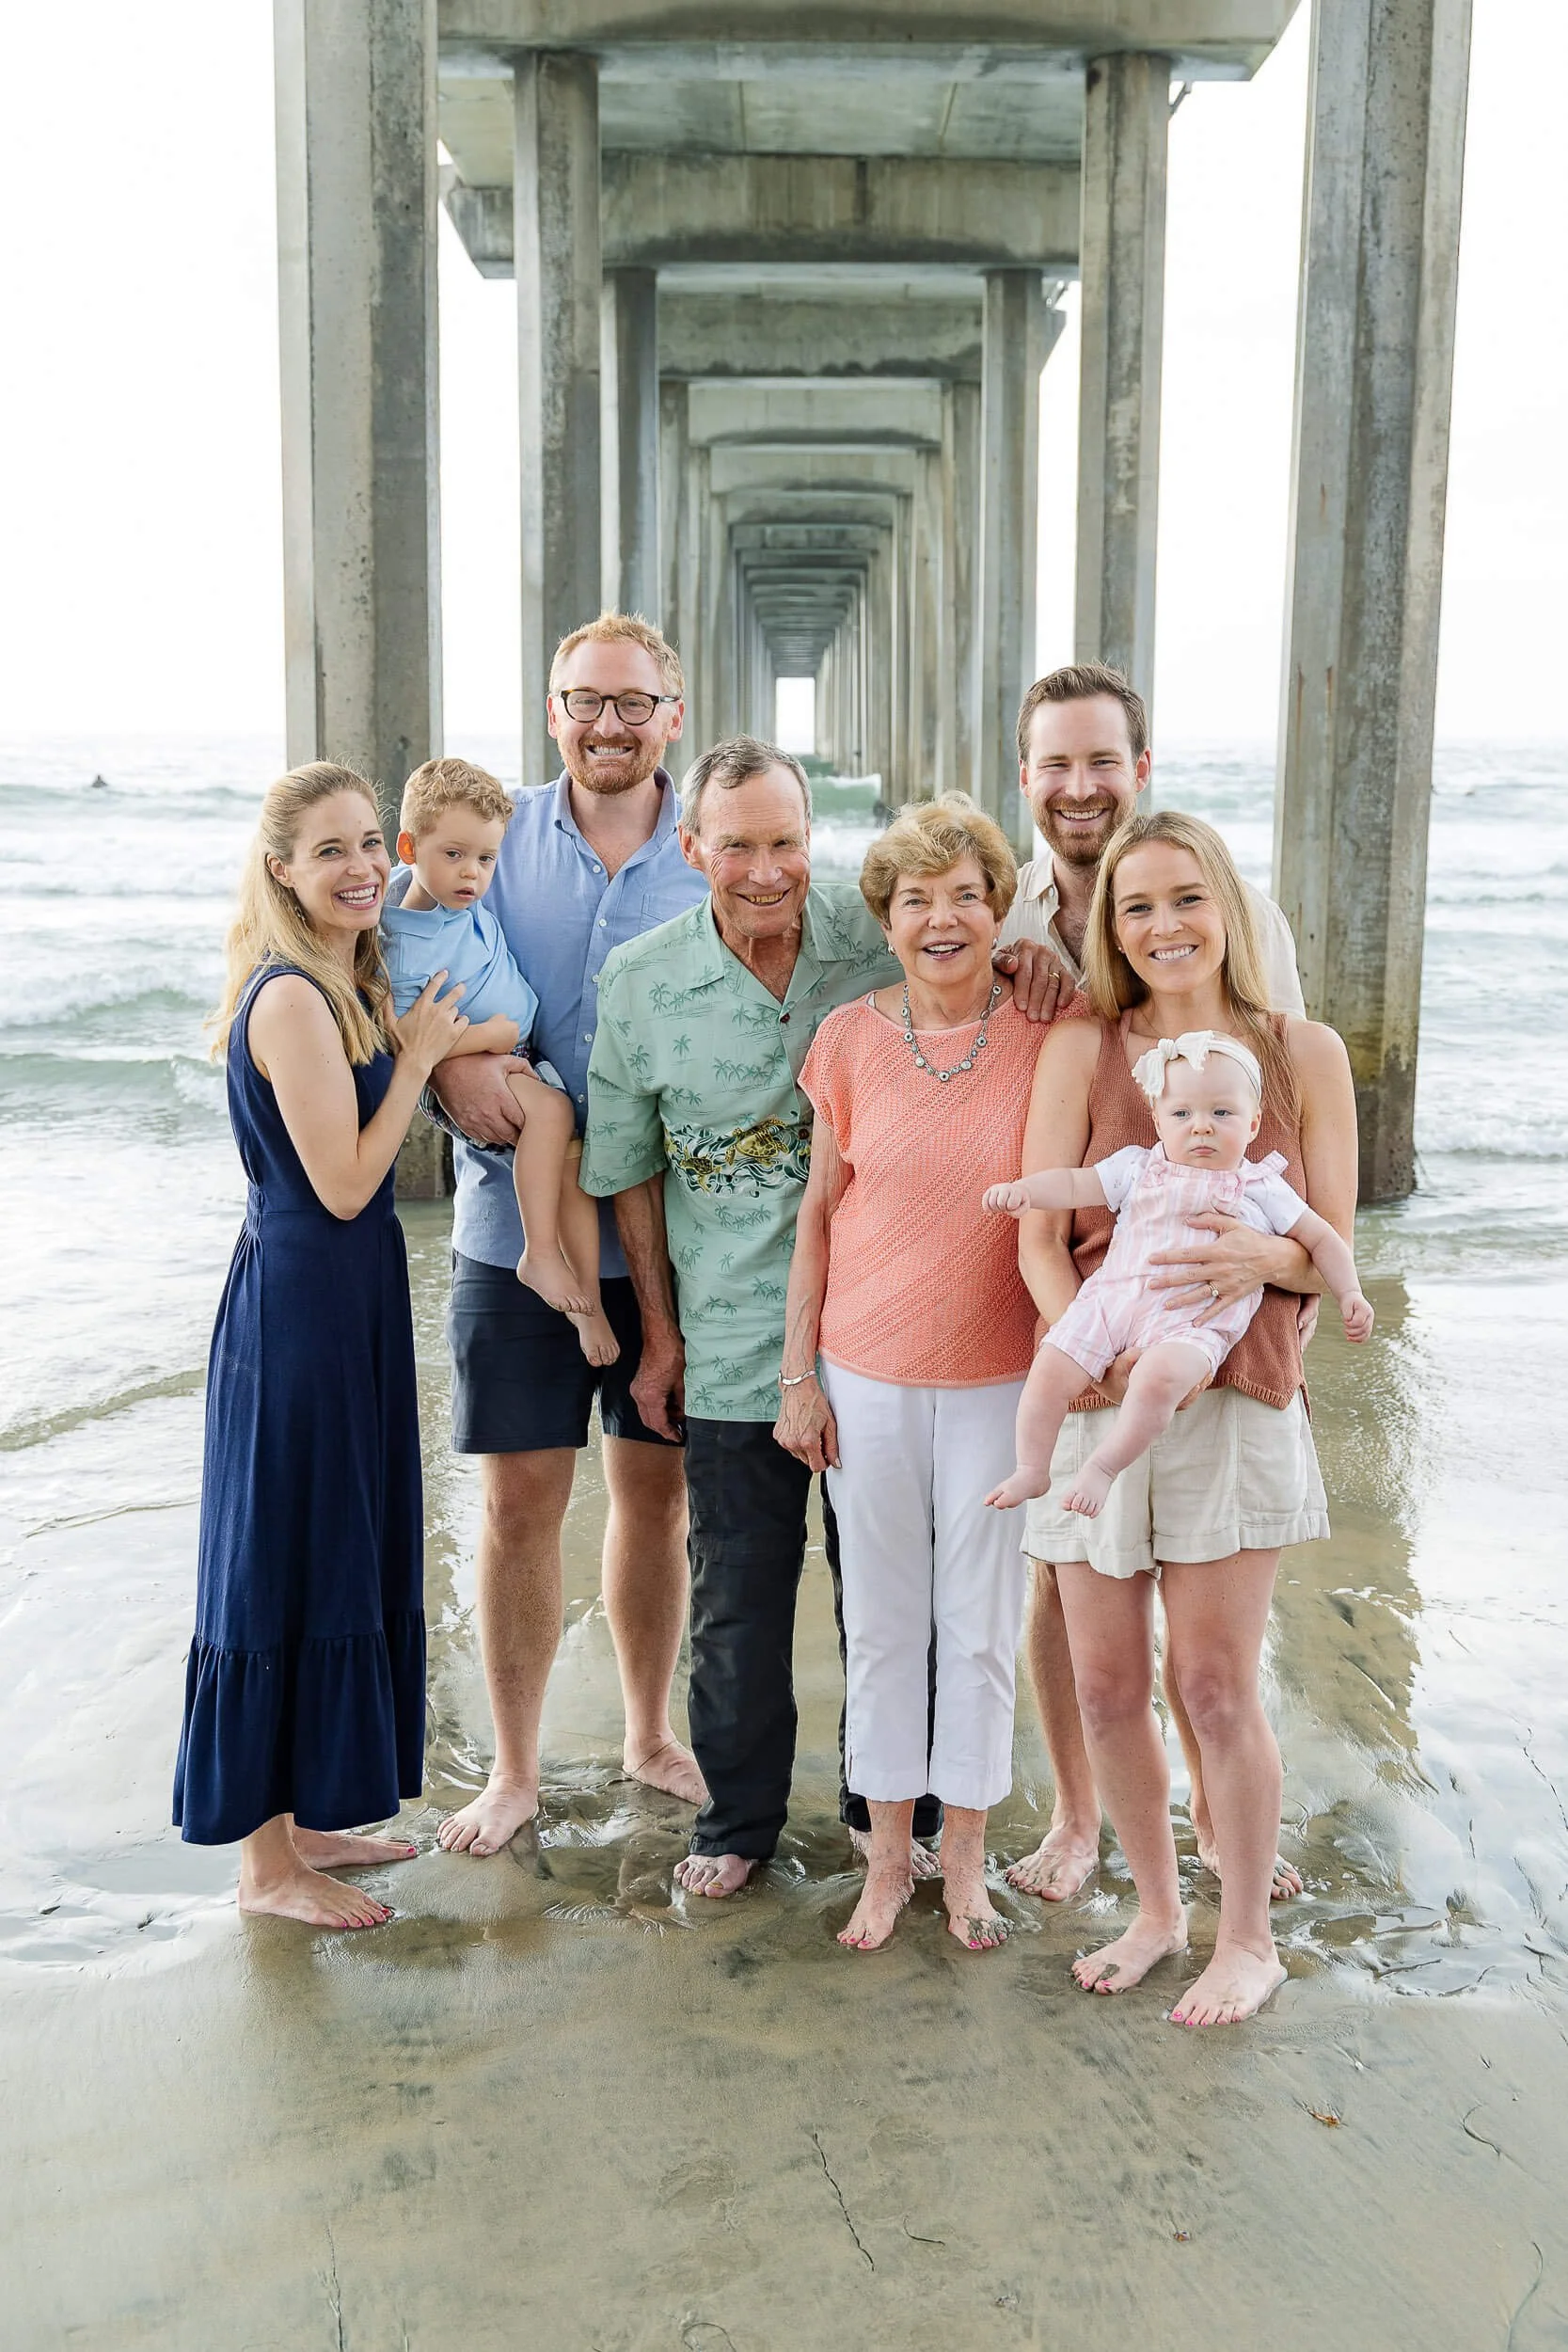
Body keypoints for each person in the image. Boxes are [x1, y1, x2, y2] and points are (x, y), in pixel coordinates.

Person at [584, 743, 1067, 1900]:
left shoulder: (869, 949)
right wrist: (656, 1335)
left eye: (784, 842)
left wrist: (1033, 960)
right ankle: (737, 1821)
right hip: (732, 1345)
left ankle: (878, 1813)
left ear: (815, 845)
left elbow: (961, 959)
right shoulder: (642, 981)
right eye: (735, 844)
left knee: (890, 1593)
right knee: (736, 1595)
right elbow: (630, 1173)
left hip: (881, 1343)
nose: (763, 869)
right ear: (689, 847)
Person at [1009, 809, 1360, 2025]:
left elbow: (1327, 1254)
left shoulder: (1298, 1052)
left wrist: (1259, 1256)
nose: (1162, 927)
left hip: (1230, 1397)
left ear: (1227, 908)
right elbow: (1035, 1235)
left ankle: (1245, 1938)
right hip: (1101, 1393)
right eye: (1133, 906)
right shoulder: (1079, 1047)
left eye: (1183, 899)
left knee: (1212, 1686)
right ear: (1109, 926)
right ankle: (1154, 1912)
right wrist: (1079, 1351)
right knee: (1104, 1685)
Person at [995, 663, 1307, 1909]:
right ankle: (1080, 1816)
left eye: (1100, 761)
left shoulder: (1238, 915)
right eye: (1053, 764)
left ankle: (1217, 1813)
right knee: (1065, 1587)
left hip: (1207, 1293)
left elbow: (1263, 1108)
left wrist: (1275, 1279)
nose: (1078, 786)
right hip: (1070, 1289)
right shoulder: (1006, 918)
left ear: (1139, 767)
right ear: (1024, 779)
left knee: (1212, 1603)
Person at [418, 613, 710, 1858]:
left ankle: (650, 1733)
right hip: (507, 1234)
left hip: (674, 1239)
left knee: (655, 1497)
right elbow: (385, 961)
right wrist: (437, 1085)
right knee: (518, 1502)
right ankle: (517, 1768)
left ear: (672, 716)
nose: (607, 723)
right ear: (551, 712)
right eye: (583, 701)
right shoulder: (490, 841)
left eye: (633, 703)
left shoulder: (714, 851)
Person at [172, 762, 467, 1926]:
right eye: (330, 850)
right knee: (280, 1554)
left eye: (367, 846)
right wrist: (426, 1058)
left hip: (344, 1299)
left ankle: (302, 1823)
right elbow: (346, 1184)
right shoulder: (291, 997)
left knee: (335, 1534)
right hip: (299, 1303)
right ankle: (263, 1868)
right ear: (282, 869)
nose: (360, 870)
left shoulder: (341, 981)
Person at [777, 798, 1043, 1954]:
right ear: (884, 920)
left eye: (966, 895)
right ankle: (888, 1861)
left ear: (999, 910)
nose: (942, 918)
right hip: (865, 1367)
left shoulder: (1050, 1031)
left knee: (978, 1623)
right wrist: (798, 1373)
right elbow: (817, 1214)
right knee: (882, 1626)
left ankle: (968, 1863)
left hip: (999, 1375)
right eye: (915, 899)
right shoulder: (845, 1038)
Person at [984, 1030, 1373, 1511]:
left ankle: (1104, 1467)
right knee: (1050, 1367)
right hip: (1111, 1301)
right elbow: (1073, 1183)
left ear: (1253, 1124)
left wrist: (1350, 1291)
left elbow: (1322, 1238)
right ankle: (1031, 1468)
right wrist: (1027, 1192)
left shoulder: (1260, 1186)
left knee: (1160, 1380)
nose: (1202, 1127)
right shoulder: (1137, 1167)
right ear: (1158, 1120)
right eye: (1182, 1114)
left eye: (1222, 1113)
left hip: (1192, 1324)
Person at [383, 756, 616, 1365]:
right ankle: (538, 1252)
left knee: (577, 1177)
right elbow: (407, 1040)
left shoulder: (458, 905)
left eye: (486, 860)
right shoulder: (402, 943)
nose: (472, 874)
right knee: (556, 1117)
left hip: (520, 1054)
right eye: (454, 855)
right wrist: (491, 1033)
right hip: (499, 1062)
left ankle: (586, 1306)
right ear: (408, 847)